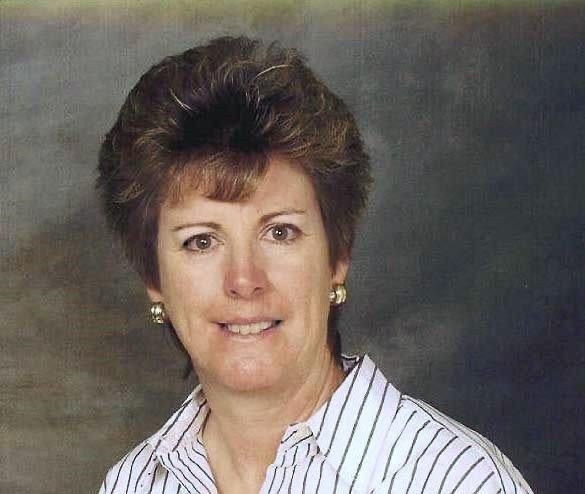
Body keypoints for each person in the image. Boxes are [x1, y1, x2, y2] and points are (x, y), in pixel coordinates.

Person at [97, 36, 533, 494]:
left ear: (337, 258)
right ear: (153, 278)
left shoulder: (454, 480)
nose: (244, 280)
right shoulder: (133, 483)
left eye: (280, 232)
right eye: (201, 241)